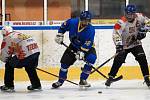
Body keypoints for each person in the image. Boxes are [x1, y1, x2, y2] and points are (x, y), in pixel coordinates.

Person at [105, 4, 150, 88]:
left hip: (135, 43)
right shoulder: (121, 22)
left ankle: (147, 78)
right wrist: (119, 45)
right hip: (124, 46)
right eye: (127, 14)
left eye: (131, 14)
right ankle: (111, 77)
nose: (129, 16)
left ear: (134, 13)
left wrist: (144, 31)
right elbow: (116, 34)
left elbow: (148, 22)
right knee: (118, 60)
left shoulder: (140, 17)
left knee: (142, 58)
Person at [52, 11, 97, 88]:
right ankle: (60, 81)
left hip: (87, 48)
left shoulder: (91, 30)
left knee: (91, 58)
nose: (86, 22)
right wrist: (60, 34)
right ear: (80, 19)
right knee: (64, 64)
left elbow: (88, 43)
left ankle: (83, 80)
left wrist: (82, 52)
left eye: (88, 21)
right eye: (85, 20)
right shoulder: (72, 22)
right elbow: (63, 26)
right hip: (74, 46)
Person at [0, 25, 41, 92]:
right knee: (30, 67)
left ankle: (8, 86)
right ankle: (36, 85)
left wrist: (7, 60)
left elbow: (4, 55)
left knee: (9, 65)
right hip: (36, 52)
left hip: (26, 54)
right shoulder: (19, 34)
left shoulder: (7, 38)